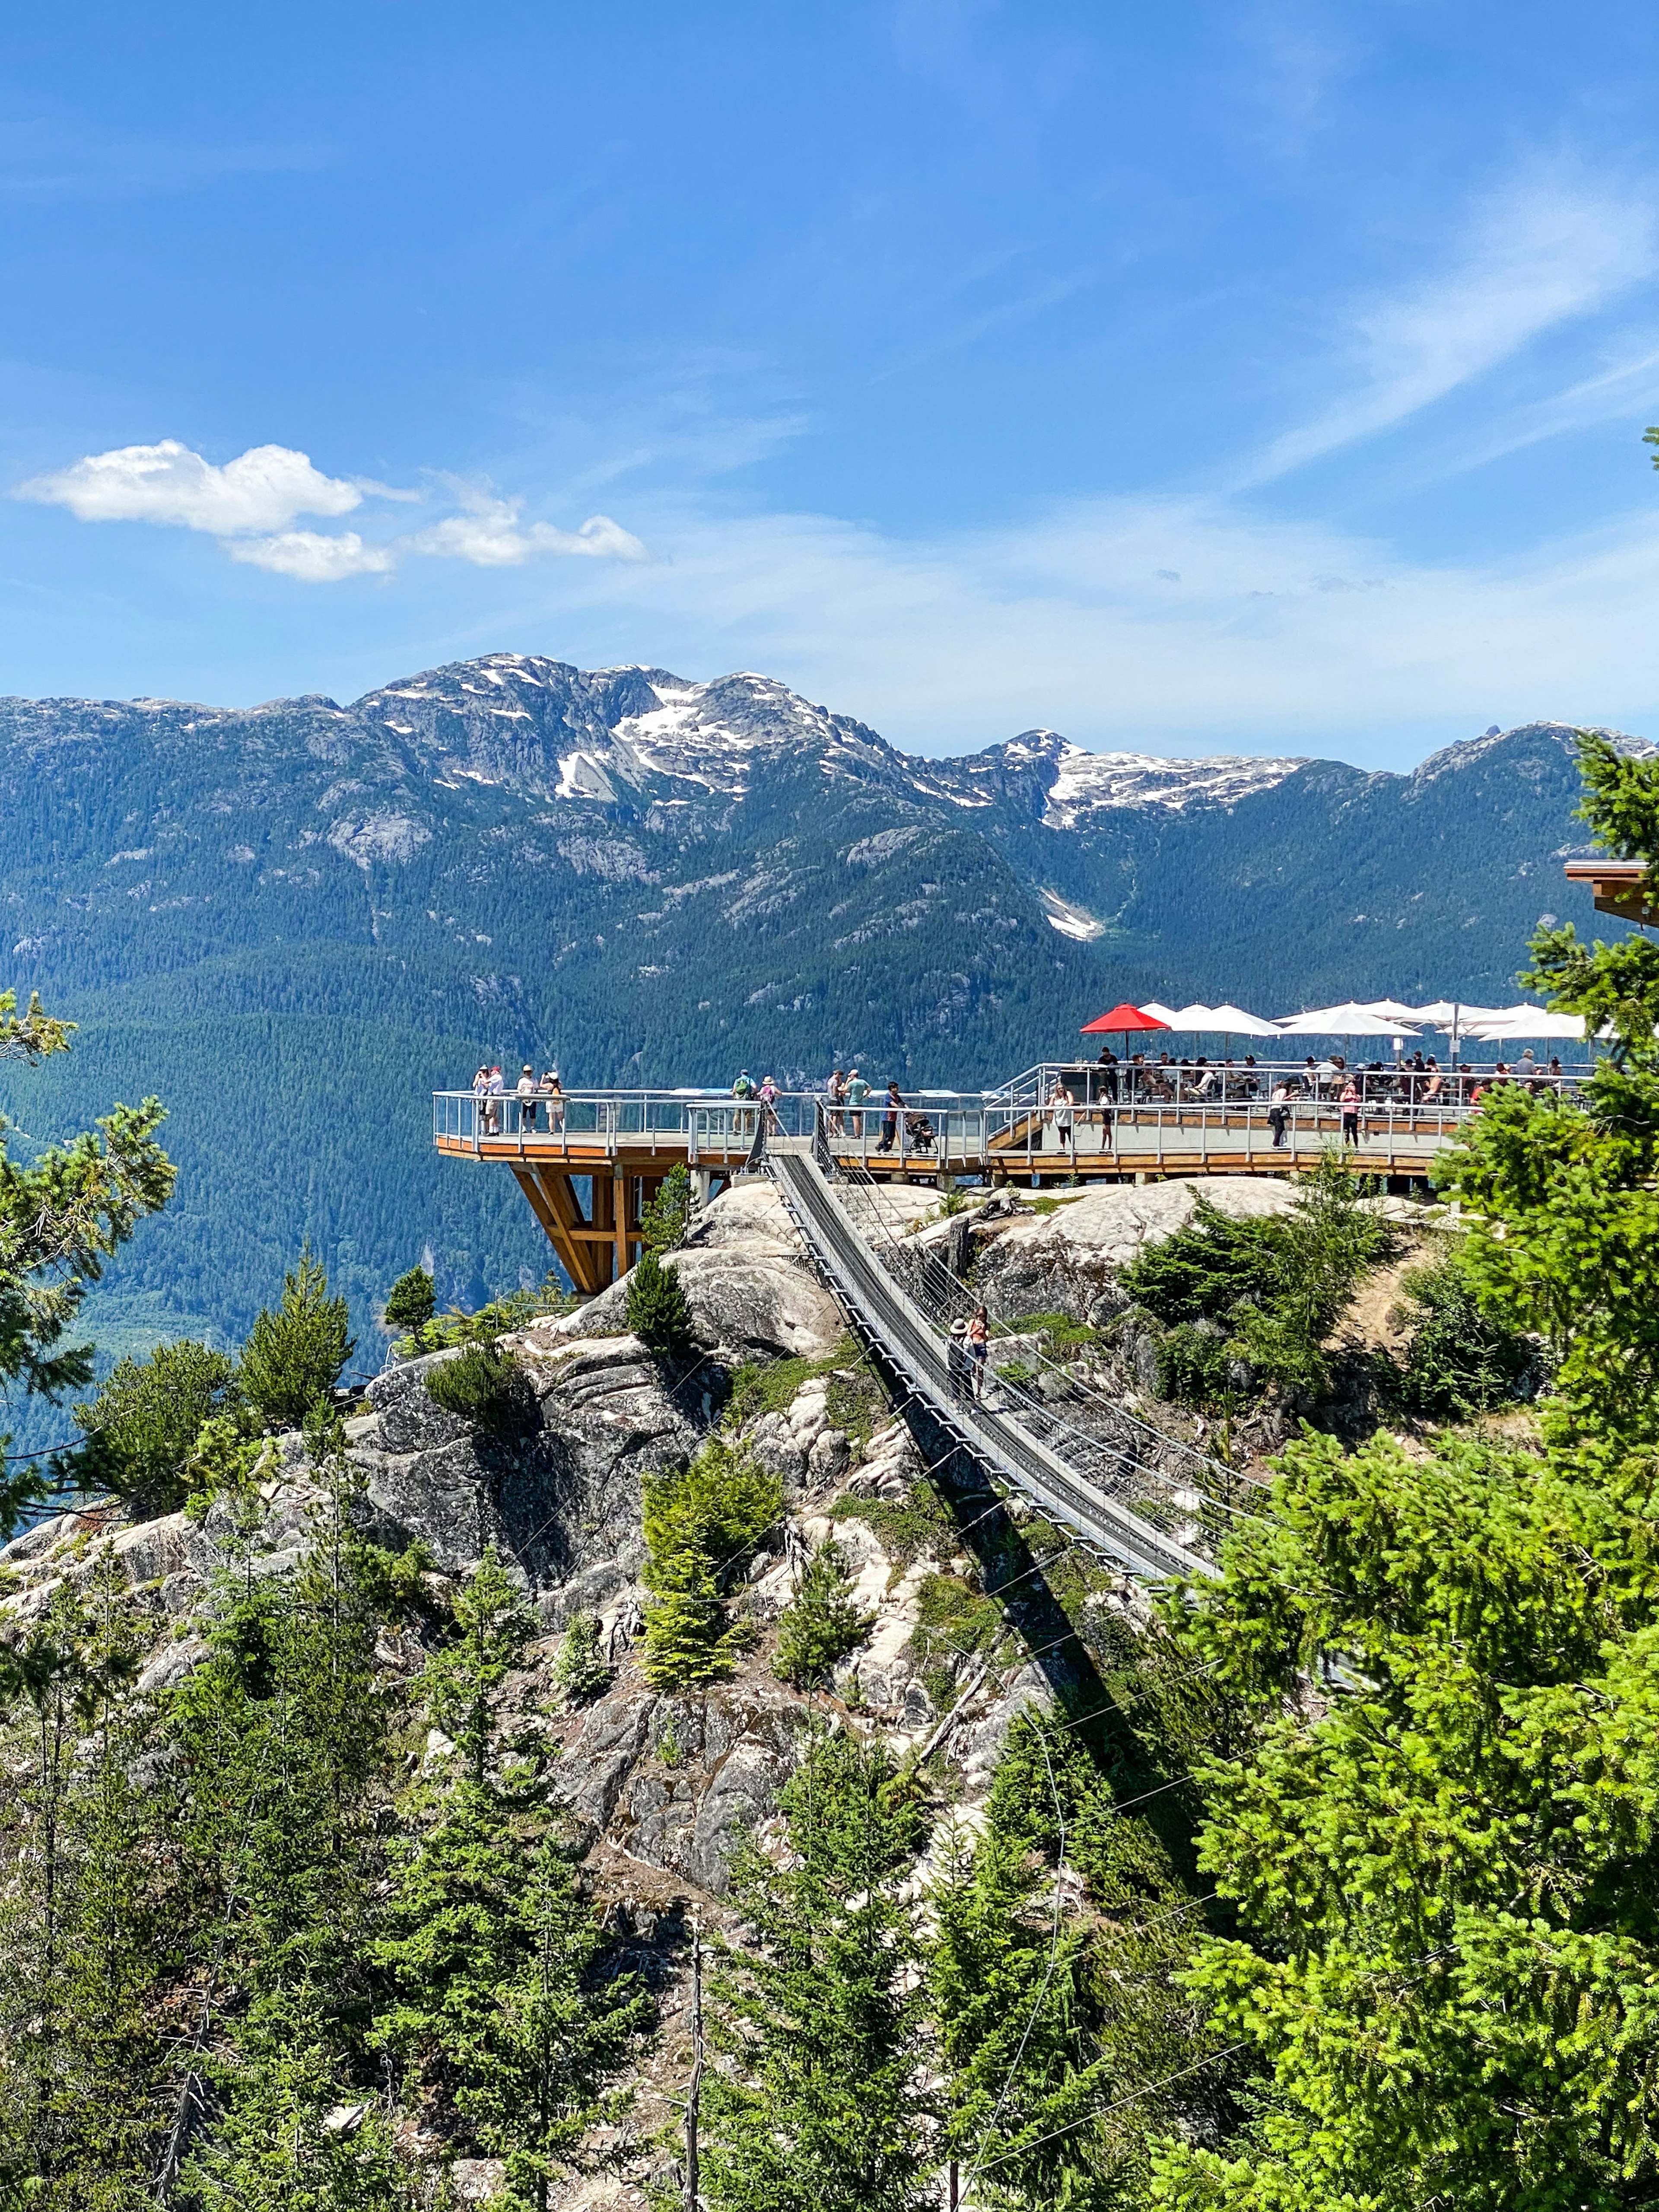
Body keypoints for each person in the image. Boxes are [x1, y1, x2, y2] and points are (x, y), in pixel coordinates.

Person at [1047, 1076, 1076, 1159]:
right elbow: (1051, 1105)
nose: (1061, 1090)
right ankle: (1063, 1148)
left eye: (1062, 1088)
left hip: (1067, 1116)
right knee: (1062, 1133)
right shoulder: (1054, 1096)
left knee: (1070, 1132)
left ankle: (1073, 1148)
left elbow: (1071, 1102)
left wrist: (1067, 1106)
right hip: (1059, 1117)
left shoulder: (1068, 1094)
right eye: (1059, 1088)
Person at [966, 1304, 989, 1400]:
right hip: (972, 1346)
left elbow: (987, 1339)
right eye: (980, 1315)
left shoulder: (987, 1325)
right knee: (970, 1366)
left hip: (981, 1345)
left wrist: (983, 1330)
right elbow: (968, 1334)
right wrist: (976, 1329)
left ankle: (979, 1392)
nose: (981, 1318)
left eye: (984, 1316)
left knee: (980, 1369)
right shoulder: (973, 1322)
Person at [947, 1317, 971, 1407]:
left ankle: (957, 1407)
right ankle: (972, 1407)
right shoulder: (967, 1340)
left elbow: (947, 1353)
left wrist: (948, 1366)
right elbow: (972, 1355)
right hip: (965, 1367)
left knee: (955, 1387)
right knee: (968, 1386)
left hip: (952, 1366)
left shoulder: (950, 1339)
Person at [876, 1079, 904, 1154]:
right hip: (887, 1118)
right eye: (896, 1088)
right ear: (892, 1089)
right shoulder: (888, 1096)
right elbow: (893, 1104)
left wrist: (909, 1110)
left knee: (892, 1134)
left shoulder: (897, 1096)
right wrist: (900, 1109)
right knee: (887, 1134)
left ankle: (881, 1146)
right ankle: (884, 1148)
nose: (898, 1089)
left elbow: (902, 1103)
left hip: (893, 1118)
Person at [1268, 1074, 1294, 1149]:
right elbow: (1282, 1100)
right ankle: (1275, 1143)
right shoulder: (1284, 1091)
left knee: (1280, 1127)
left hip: (1273, 1109)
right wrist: (1292, 1095)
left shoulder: (1277, 1091)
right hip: (1277, 1110)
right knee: (1280, 1128)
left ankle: (1278, 1143)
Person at [845, 1066, 870, 1139]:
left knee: (855, 1119)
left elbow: (845, 1090)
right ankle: (859, 1133)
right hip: (860, 1102)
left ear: (853, 1075)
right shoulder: (862, 1082)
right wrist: (866, 1095)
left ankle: (857, 1134)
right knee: (859, 1119)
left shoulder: (852, 1083)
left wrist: (847, 1081)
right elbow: (869, 1088)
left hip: (853, 1103)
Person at [539, 1066, 564, 1134]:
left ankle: (552, 1131)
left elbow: (541, 1085)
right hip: (559, 1100)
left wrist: (543, 1078)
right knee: (561, 1117)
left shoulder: (549, 1085)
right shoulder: (559, 1085)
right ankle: (564, 1129)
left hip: (551, 1101)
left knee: (551, 1117)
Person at [1339, 1071, 1361, 1146]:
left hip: (1353, 1114)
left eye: (1352, 1086)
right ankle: (1347, 1146)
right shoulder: (1344, 1094)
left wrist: (1354, 1094)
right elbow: (1342, 1100)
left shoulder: (1357, 1095)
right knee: (1346, 1131)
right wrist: (1346, 1092)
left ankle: (1356, 1146)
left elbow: (1359, 1101)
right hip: (1346, 1113)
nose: (1351, 1087)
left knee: (1354, 1131)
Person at [516, 1063, 537, 1131]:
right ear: (524, 1073)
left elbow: (537, 1089)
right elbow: (519, 1090)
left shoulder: (534, 1080)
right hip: (523, 1099)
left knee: (533, 1114)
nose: (528, 1073)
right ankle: (524, 1127)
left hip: (532, 1099)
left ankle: (532, 1127)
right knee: (523, 1114)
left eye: (529, 1072)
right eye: (527, 1072)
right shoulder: (522, 1080)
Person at [826, 1067, 848, 1135]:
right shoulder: (835, 1081)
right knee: (835, 1116)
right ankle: (834, 1131)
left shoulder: (830, 1080)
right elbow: (835, 1092)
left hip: (830, 1099)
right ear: (838, 1074)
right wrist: (841, 1091)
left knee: (830, 1115)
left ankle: (830, 1131)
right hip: (835, 1100)